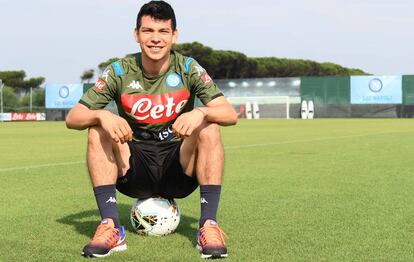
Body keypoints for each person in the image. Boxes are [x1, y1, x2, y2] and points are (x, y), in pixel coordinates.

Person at [65, 0, 238, 259]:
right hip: (134, 168)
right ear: (137, 34)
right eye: (148, 31)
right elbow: (73, 117)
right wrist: (102, 114)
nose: (155, 39)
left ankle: (208, 226)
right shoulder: (120, 70)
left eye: (163, 32)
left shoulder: (188, 68)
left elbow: (229, 114)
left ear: (174, 35)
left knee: (210, 126)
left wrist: (200, 111)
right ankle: (110, 227)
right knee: (96, 129)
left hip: (178, 167)